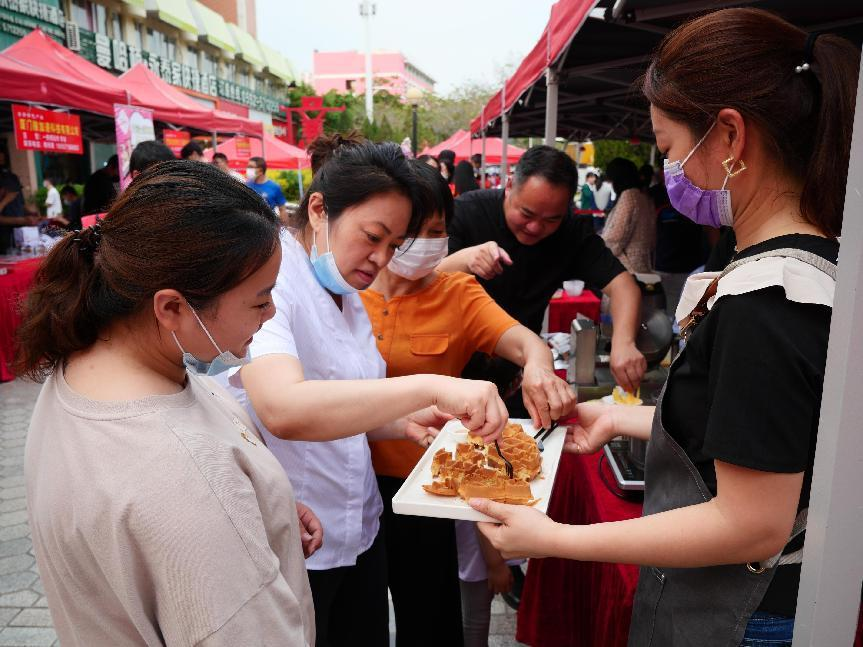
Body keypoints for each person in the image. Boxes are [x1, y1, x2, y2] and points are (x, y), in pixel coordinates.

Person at [470, 9, 856, 647]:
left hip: (745, 614)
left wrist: (557, 539)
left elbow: (750, 523)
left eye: (670, 148)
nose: (669, 170)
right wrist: (620, 418)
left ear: (729, 136)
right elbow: (760, 434)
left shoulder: (770, 301)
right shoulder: (808, 266)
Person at [220, 141, 507, 647]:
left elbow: (351, 398)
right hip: (298, 536)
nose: (380, 259)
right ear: (318, 209)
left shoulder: (348, 294)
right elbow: (283, 408)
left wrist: (404, 420)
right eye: (372, 237)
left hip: (359, 523)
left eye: (394, 245)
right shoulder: (272, 281)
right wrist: (431, 385)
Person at [18, 160, 317, 645]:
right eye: (260, 300)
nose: (271, 313)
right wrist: (227, 519)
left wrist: (267, 508)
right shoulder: (184, 478)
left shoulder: (101, 364)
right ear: (173, 307)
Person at [361, 161, 576, 647]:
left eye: (439, 231)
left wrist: (539, 366)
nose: (427, 242)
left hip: (423, 488)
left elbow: (523, 341)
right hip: (348, 484)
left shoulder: (456, 292)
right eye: (413, 232)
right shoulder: (349, 292)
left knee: (430, 618)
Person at [439, 145, 647, 399]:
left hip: (518, 373)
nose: (535, 227)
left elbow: (624, 286)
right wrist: (465, 259)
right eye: (526, 213)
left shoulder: (570, 233)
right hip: (448, 373)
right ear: (508, 186)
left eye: (552, 219)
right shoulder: (466, 212)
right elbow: (423, 281)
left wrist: (623, 344)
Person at [650, 168, 707, 318]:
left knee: (674, 314)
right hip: (665, 267)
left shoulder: (698, 193)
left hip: (687, 268)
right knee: (667, 314)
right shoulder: (656, 195)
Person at [601, 157, 657, 273]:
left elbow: (615, 238)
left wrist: (596, 249)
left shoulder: (629, 196)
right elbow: (653, 237)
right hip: (643, 264)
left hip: (627, 268)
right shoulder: (644, 196)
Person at [0, 150, 38, 251]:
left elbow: (21, 202)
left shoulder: (12, 177)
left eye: (3, 158)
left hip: (20, 229)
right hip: (4, 234)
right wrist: (6, 200)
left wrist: (31, 213)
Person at [246, 156, 288, 223]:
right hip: (250, 223)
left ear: (260, 170)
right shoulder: (247, 185)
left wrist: (284, 228)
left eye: (251, 167)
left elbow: (282, 209)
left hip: (269, 225)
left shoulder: (274, 187)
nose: (248, 169)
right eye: (248, 167)